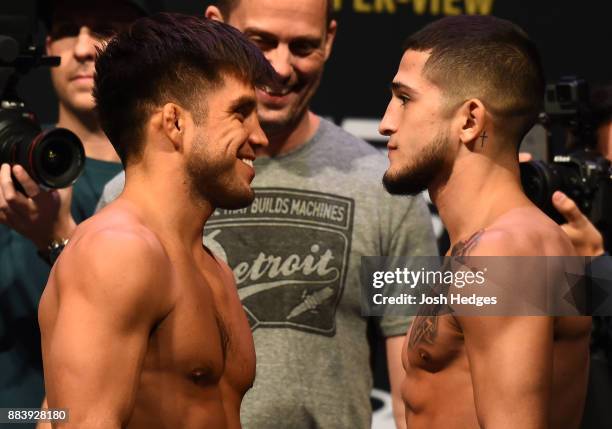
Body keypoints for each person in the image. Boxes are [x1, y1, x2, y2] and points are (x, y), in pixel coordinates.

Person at [97, 0, 438, 427]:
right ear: (217, 27)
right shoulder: (124, 211)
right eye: (261, 43)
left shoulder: (384, 188)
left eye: (302, 46)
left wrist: (532, 260)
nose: (279, 67)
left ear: (330, 40)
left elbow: (419, 382)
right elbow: (71, 405)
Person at [39, 12, 275, 428]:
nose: (260, 137)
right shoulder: (118, 251)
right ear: (175, 122)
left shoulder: (213, 266)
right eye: (241, 113)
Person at [379, 15, 591, 428]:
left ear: (470, 120)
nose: (387, 121)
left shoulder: (507, 250)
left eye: (405, 98)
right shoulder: (490, 244)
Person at [0, 0, 145, 414]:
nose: (83, 48)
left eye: (103, 28)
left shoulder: (170, 182)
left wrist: (58, 237)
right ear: (46, 45)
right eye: (67, 28)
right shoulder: (5, 159)